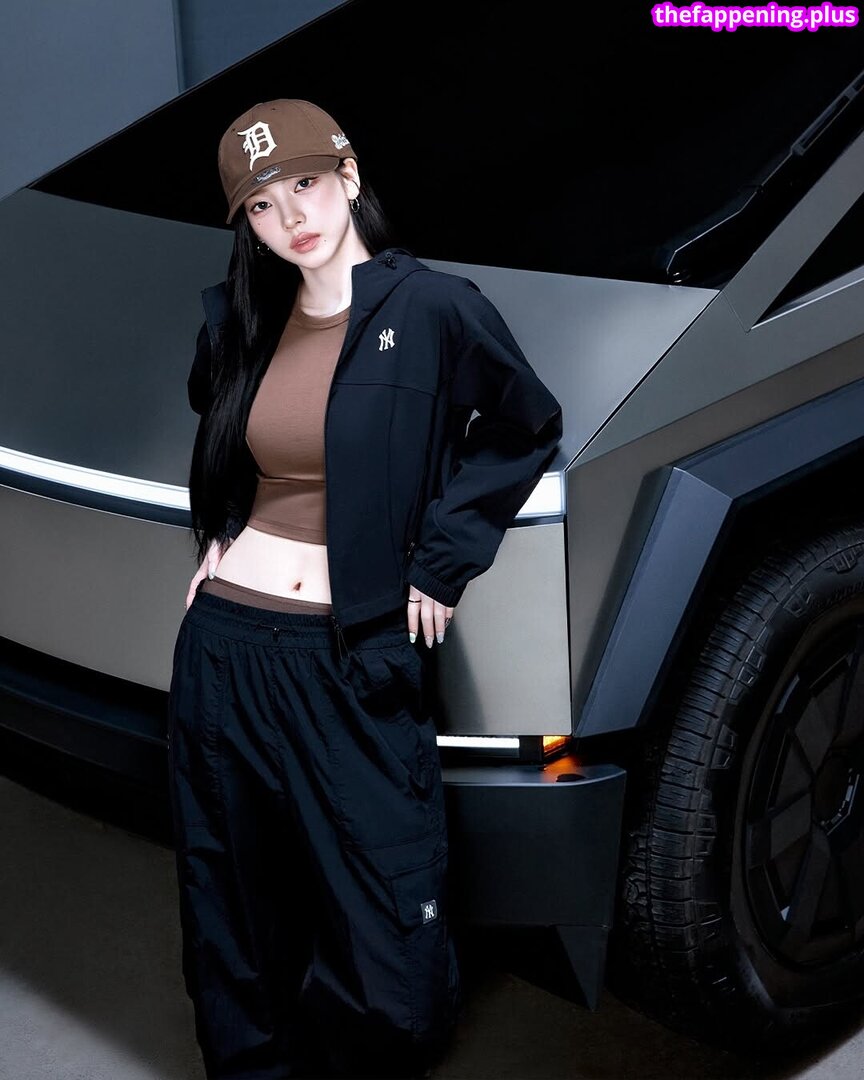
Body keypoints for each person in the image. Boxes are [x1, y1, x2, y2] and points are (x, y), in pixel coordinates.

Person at [167, 98, 563, 1080]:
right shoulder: (247, 323)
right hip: (223, 657)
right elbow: (233, 444)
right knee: (234, 922)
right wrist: (221, 533)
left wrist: (443, 558)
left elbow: (525, 425)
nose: (290, 216)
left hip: (346, 658)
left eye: (304, 183)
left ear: (346, 175)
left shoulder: (431, 309)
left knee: (388, 937)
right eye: (263, 205)